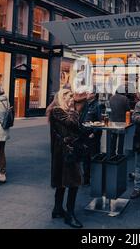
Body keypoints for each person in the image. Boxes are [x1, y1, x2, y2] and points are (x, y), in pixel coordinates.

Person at [47, 89, 85, 228]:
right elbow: (73, 124)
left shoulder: (61, 112)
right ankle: (70, 214)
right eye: (70, 98)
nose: (72, 101)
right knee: (73, 183)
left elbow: (76, 128)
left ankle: (57, 209)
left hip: (65, 152)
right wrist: (74, 110)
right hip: (66, 152)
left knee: (62, 182)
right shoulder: (57, 111)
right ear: (63, 98)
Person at [82, 89, 102, 185]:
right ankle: (86, 178)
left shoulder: (97, 105)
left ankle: (95, 179)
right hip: (85, 134)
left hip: (92, 136)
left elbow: (100, 121)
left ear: (94, 94)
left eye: (89, 92)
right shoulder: (86, 104)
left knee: (94, 157)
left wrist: (94, 133)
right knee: (85, 157)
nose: (87, 94)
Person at [108, 85, 130, 156]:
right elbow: (128, 110)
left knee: (113, 139)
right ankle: (119, 154)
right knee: (121, 139)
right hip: (122, 122)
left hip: (112, 121)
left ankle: (112, 154)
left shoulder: (111, 98)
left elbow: (108, 109)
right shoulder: (125, 98)